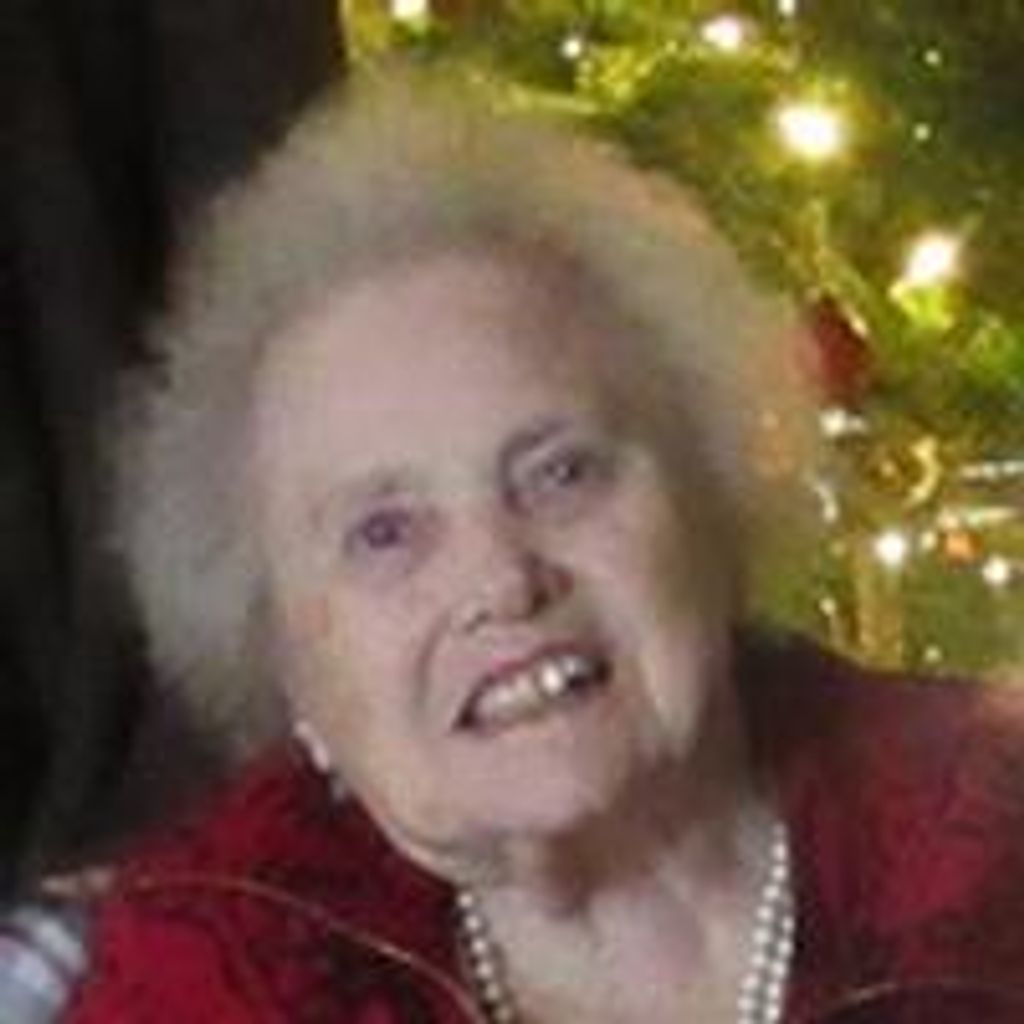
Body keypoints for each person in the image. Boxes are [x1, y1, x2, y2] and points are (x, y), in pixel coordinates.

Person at [64, 72, 1024, 1023]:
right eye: (384, 532)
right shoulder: (198, 974)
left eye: (563, 473)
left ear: (713, 495)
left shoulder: (989, 836)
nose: (501, 579)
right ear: (283, 658)